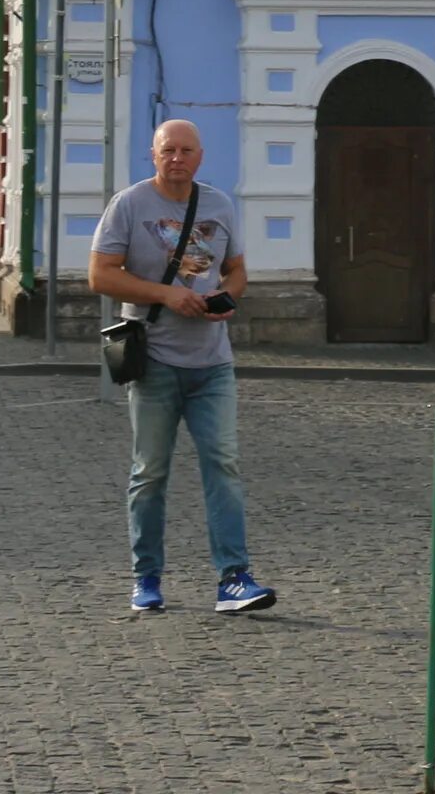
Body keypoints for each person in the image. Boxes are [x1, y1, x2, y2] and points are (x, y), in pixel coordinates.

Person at [88, 119, 274, 617]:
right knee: (150, 472)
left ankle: (234, 578)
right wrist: (167, 294)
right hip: (155, 361)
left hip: (212, 362)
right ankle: (146, 577)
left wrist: (226, 298)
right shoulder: (129, 205)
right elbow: (100, 275)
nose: (177, 158)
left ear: (200, 155)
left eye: (186, 150)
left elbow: (236, 271)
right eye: (168, 150)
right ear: (153, 155)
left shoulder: (218, 204)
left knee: (224, 466)